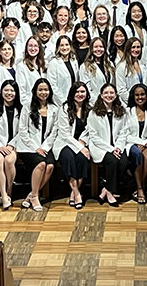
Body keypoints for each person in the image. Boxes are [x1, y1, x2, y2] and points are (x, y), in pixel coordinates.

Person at [17, 78, 58, 211]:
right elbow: (22, 131)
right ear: (35, 91)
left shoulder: (54, 109)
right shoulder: (27, 107)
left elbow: (54, 132)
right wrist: (36, 147)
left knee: (50, 166)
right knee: (41, 164)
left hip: (45, 145)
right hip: (28, 146)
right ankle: (35, 197)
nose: (43, 92)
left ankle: (30, 195)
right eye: (40, 90)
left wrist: (44, 147)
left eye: (46, 90)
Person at [88, 83, 131, 207]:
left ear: (116, 95)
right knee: (112, 160)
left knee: (123, 161)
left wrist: (118, 147)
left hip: (116, 146)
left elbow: (124, 132)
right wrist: (111, 149)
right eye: (106, 93)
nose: (109, 95)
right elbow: (94, 136)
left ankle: (106, 189)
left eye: (112, 93)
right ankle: (111, 193)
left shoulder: (121, 111)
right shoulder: (94, 113)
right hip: (100, 147)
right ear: (101, 95)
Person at [55, 81, 92, 209]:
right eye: (77, 92)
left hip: (81, 143)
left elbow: (90, 129)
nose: (80, 94)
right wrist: (80, 147)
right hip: (65, 143)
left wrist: (83, 142)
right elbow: (64, 134)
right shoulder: (65, 108)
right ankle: (77, 194)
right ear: (72, 93)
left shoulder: (90, 109)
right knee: (69, 158)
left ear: (87, 93)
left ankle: (73, 193)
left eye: (82, 91)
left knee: (82, 159)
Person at [0, 79, 22, 210]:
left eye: (12, 90)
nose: (9, 93)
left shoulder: (21, 109)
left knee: (9, 161)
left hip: (13, 145)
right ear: (1, 92)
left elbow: (23, 131)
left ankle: (9, 191)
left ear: (16, 92)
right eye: (6, 90)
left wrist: (11, 145)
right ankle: (4, 196)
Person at [127, 83, 147, 204]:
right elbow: (124, 132)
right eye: (137, 95)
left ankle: (138, 184)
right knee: (138, 154)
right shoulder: (127, 112)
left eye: (142, 94)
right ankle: (140, 188)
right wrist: (138, 142)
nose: (140, 97)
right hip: (131, 142)